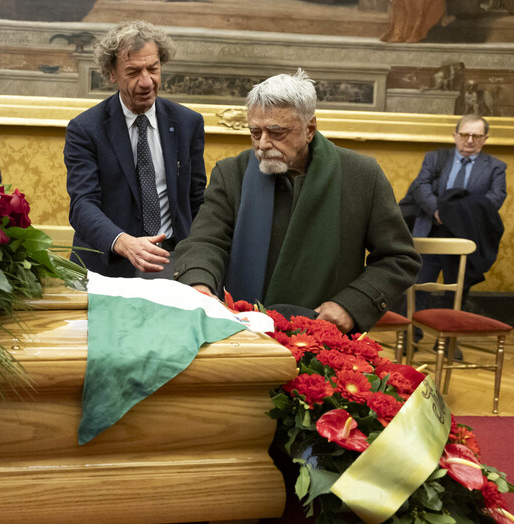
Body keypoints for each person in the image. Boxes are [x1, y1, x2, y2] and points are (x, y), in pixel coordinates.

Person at [174, 70, 421, 333]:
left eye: (276, 132)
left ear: (309, 129)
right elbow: (206, 241)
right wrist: (199, 284)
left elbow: (398, 258)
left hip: (323, 339)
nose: (263, 144)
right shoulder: (232, 173)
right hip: (240, 329)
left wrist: (351, 305)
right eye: (255, 132)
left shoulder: (361, 176)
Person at [64, 20, 206, 278]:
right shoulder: (85, 129)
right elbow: (83, 205)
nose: (146, 82)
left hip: (172, 262)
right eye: (133, 72)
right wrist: (123, 242)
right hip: (107, 265)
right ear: (111, 74)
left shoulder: (187, 123)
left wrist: (200, 259)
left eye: (153, 69)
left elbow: (196, 200)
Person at [403, 114, 506, 325]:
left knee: (457, 291)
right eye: (465, 134)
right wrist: (438, 212)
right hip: (431, 231)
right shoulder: (435, 158)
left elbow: (494, 200)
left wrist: (456, 217)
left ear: (485, 138)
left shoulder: (495, 167)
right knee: (419, 285)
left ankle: (449, 338)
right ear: (455, 136)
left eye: (476, 136)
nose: (470, 140)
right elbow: (420, 186)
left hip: (466, 237)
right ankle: (411, 335)